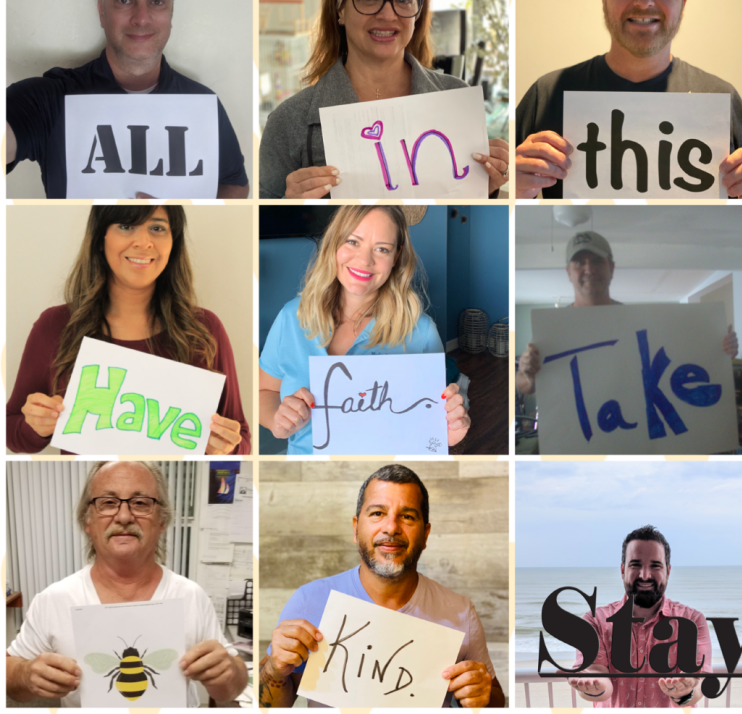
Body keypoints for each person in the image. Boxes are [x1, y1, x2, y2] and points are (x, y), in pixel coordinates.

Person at [259, 0, 509, 198]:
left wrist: (485, 189)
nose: (387, 14)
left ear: (418, 12)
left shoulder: (456, 100)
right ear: (340, 9)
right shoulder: (288, 122)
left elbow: (463, 217)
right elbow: (262, 228)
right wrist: (286, 207)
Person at [515, 0, 742, 199]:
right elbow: (500, 194)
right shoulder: (547, 93)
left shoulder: (720, 97)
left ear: (683, 2)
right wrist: (514, 188)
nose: (644, 2)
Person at [5, 0, 249, 199]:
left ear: (171, 13)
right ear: (102, 12)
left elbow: (235, 185)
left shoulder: (204, 104)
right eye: (124, 0)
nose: (142, 18)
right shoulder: (51, 99)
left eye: (157, 2)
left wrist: (177, 217)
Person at [6, 205, 250, 455]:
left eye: (157, 228)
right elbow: (12, 432)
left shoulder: (205, 330)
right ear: (101, 239)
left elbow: (241, 438)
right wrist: (36, 425)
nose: (143, 242)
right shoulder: (55, 326)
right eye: (126, 226)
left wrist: (225, 447)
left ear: (173, 243)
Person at [259, 463, 504, 707]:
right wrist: (274, 670)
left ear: (426, 534)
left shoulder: (460, 612)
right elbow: (267, 708)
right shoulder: (309, 600)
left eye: (407, 516)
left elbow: (495, 700)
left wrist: (483, 694)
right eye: (377, 513)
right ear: (356, 529)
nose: (391, 527)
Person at [6, 460, 248, 706]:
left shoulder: (191, 596)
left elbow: (230, 690)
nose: (123, 516)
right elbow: (10, 674)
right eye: (108, 503)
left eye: (141, 503)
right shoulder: (53, 600)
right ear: (87, 521)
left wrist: (228, 673)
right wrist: (25, 675)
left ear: (162, 521)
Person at [259, 205, 470, 454]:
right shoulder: (291, 317)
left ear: (396, 257)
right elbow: (265, 390)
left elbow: (433, 421)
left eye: (382, 249)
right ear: (333, 245)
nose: (364, 260)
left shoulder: (421, 332)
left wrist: (449, 433)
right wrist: (277, 421)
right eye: (353, 241)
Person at [516, 229, 738, 401]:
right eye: (579, 262)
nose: (589, 269)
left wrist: (718, 351)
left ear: (611, 268)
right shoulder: (552, 329)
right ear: (568, 272)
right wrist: (527, 374)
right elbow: (524, 386)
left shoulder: (638, 322)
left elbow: (675, 361)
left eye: (596, 261)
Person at [567, 525, 710, 707]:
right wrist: (593, 686)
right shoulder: (594, 621)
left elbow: (698, 686)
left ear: (668, 571)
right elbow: (598, 678)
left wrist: (685, 692)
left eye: (655, 566)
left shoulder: (693, 621)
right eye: (635, 565)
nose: (644, 575)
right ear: (622, 570)